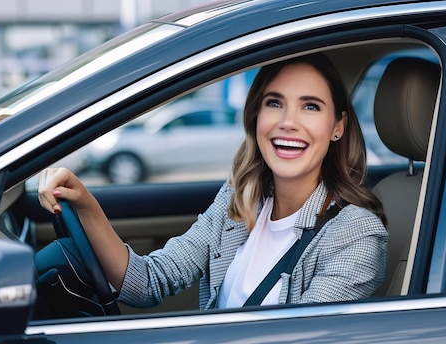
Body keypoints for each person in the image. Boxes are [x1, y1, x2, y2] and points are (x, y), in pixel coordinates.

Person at [38, 53, 389, 310]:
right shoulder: (239, 198)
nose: (288, 122)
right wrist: (85, 204)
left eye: (310, 107)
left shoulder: (355, 235)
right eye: (274, 103)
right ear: (255, 116)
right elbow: (149, 282)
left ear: (338, 126)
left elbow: (304, 336)